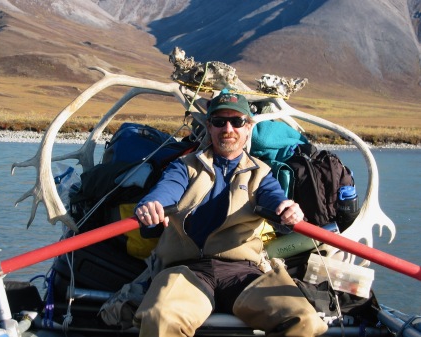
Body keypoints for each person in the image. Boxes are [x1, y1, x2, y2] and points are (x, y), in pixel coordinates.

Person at [133, 91, 328, 337]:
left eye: (237, 122)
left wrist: (289, 209)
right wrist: (152, 204)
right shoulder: (184, 167)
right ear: (209, 126)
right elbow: (165, 191)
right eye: (219, 121)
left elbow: (275, 199)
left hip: (244, 273)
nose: (228, 128)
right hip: (188, 269)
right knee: (160, 317)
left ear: (248, 128)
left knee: (305, 321)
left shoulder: (262, 174)